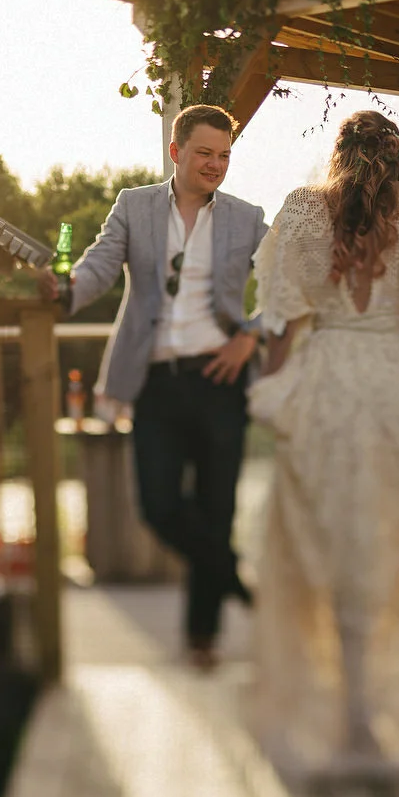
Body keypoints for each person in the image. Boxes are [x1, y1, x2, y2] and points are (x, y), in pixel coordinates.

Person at [247, 109, 399, 779]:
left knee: (328, 544)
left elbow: (283, 314)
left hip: (326, 389)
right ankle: (377, 703)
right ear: (397, 160)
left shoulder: (300, 208)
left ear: (338, 151)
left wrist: (270, 385)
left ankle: (351, 712)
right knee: (392, 543)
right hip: (393, 390)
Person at [39, 103, 268, 671]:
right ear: (176, 152)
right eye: (204, 154)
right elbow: (95, 265)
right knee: (159, 507)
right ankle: (233, 575)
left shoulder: (247, 217)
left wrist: (252, 337)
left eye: (224, 155)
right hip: (156, 382)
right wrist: (65, 291)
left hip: (222, 379)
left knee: (216, 512)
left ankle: (202, 639)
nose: (215, 165)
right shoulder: (133, 206)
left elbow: (293, 281)